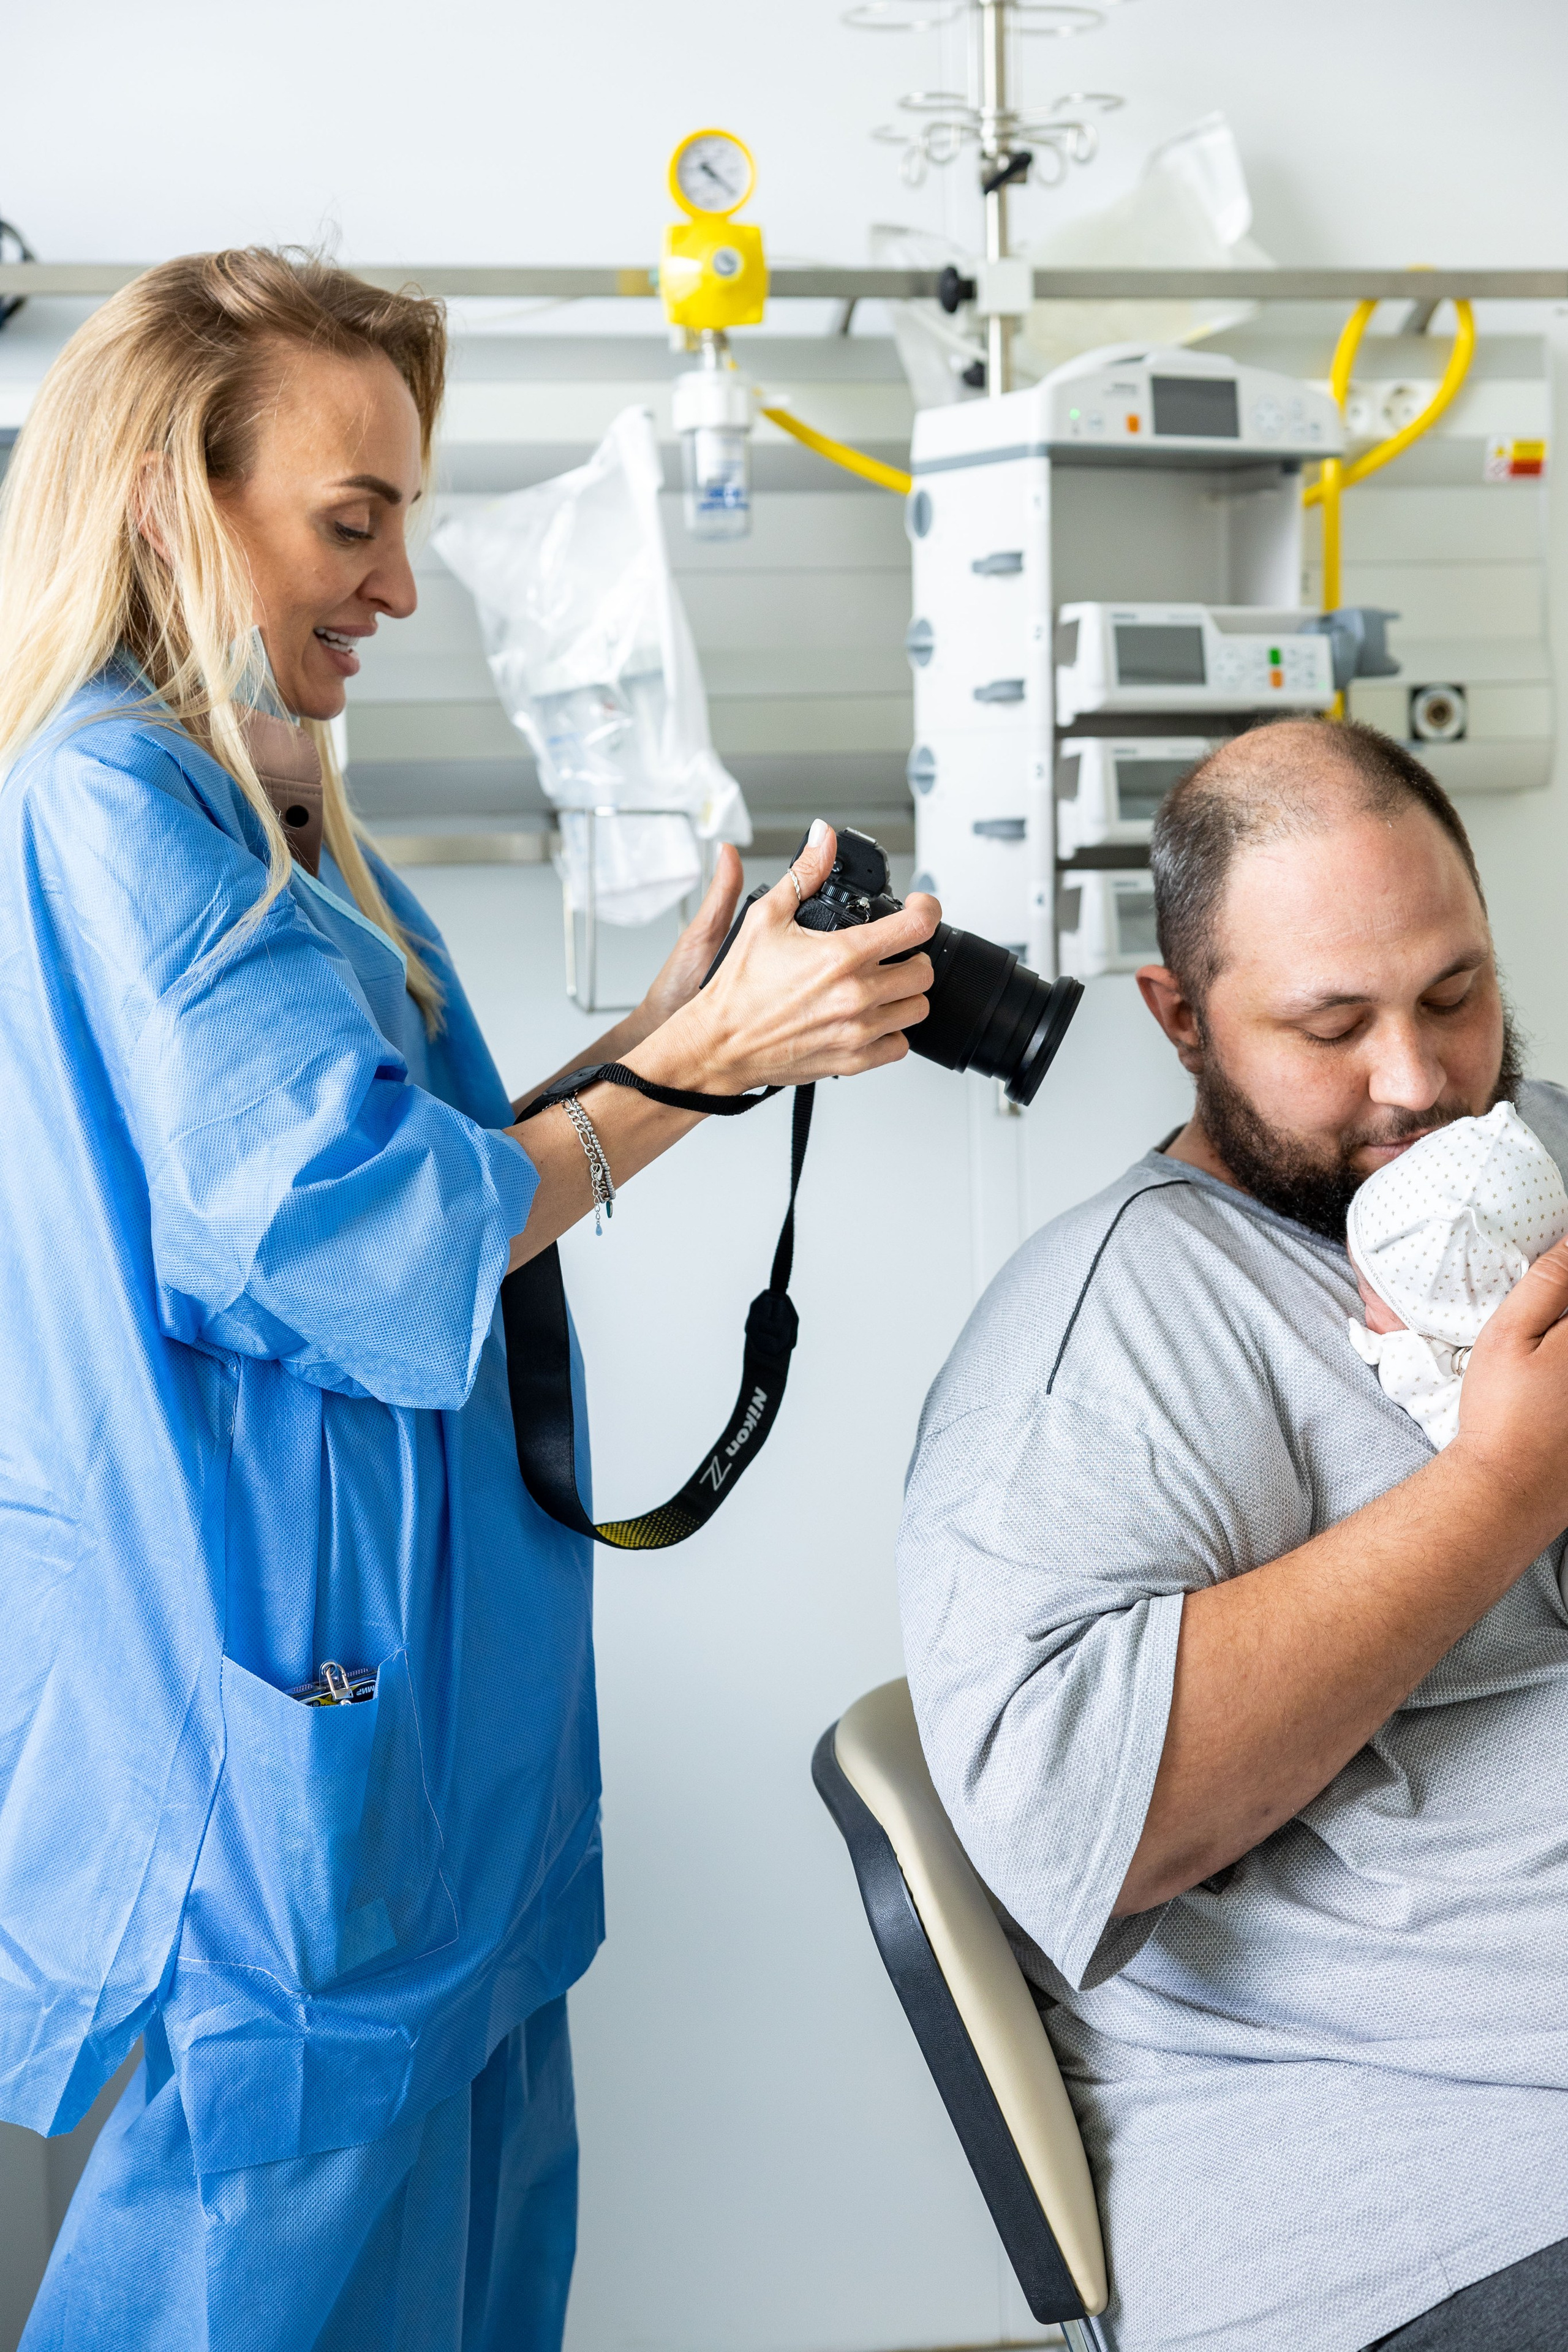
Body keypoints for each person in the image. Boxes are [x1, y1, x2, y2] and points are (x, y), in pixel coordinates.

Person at [0, 248, 938, 2352]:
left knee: (463, 2284)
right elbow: (337, 1232)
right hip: (284, 1729)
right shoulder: (113, 808)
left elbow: (399, 1164)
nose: (403, 588)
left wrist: (665, 1029)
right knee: (272, 2287)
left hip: (426, 1726)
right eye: (356, 521)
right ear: (172, 498)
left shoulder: (270, 813)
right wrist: (709, 1077)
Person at [898, 717, 1568, 2352]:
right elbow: (1083, 1821)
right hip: (1448, 2188)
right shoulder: (1109, 1341)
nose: (1416, 1084)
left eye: (1456, 996)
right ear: (1182, 1017)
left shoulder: (1537, 1160)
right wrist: (1496, 1493)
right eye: (1331, 1026)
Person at [1345, 1099, 1568, 1449]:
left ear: (1449, 1315)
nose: (1363, 1304)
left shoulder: (1478, 1386)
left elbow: (1434, 1406)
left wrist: (1394, 1349)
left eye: (1369, 1293)